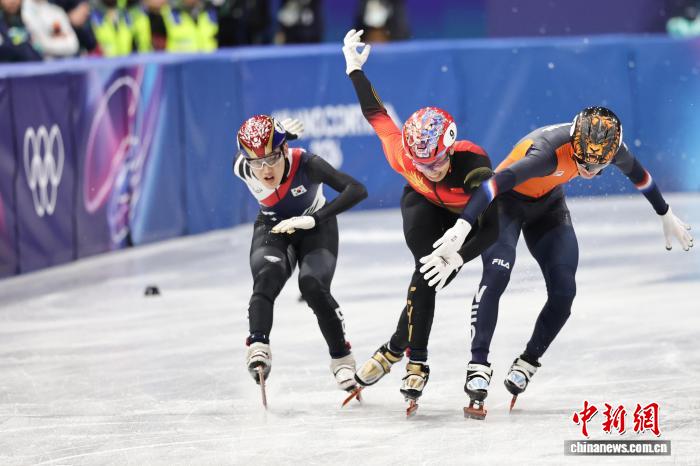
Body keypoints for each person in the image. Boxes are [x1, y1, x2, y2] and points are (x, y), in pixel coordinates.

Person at [422, 106, 694, 418]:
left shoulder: (611, 147)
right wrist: (462, 227)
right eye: (584, 162)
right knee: (497, 274)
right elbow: (491, 185)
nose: (590, 170)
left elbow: (641, 177)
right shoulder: (546, 154)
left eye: (599, 164)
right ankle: (478, 364)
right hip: (505, 205)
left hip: (548, 205)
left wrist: (664, 212)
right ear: (575, 146)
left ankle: (528, 361)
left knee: (564, 291)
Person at [341, 29, 499, 408]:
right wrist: (354, 70)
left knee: (434, 273)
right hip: (422, 206)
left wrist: (458, 256)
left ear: (451, 148)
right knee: (426, 271)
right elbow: (376, 114)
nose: (432, 169)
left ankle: (395, 348)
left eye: (438, 161)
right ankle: (418, 362)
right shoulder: (402, 155)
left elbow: (493, 227)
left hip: (465, 219)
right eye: (423, 164)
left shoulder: (473, 164)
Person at [234, 115, 368, 393]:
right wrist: (278, 140)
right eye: (256, 163)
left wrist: (315, 218)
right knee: (266, 277)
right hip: (273, 227)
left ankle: (341, 357)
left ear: (284, 150)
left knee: (312, 286)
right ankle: (258, 344)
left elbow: (357, 190)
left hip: (315, 227)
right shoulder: (243, 167)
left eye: (271, 159)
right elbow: (255, 156)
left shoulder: (308, 164)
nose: (264, 170)